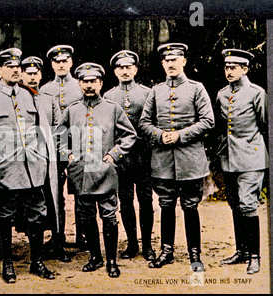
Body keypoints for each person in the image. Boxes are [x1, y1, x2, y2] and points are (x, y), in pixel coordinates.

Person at [0, 48, 59, 283]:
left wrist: (39, 156)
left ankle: (36, 262)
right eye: (10, 67)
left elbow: (41, 129)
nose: (16, 70)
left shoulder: (30, 95)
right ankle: (7, 264)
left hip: (32, 171)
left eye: (18, 66)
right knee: (5, 217)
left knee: (37, 215)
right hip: (5, 171)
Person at [138, 43, 214, 271]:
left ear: (184, 61)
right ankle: (167, 251)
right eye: (166, 60)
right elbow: (144, 123)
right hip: (162, 160)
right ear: (162, 64)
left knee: (190, 206)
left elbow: (208, 120)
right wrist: (160, 135)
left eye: (175, 59)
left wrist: (180, 135)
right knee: (166, 204)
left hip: (190, 160)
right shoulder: (155, 91)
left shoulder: (196, 88)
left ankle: (194, 254)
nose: (170, 64)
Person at [57, 62, 137, 277]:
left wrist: (114, 155)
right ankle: (95, 258)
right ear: (80, 84)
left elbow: (130, 135)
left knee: (109, 216)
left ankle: (112, 261)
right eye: (85, 81)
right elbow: (60, 136)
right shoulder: (72, 110)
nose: (89, 85)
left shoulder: (113, 108)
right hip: (81, 173)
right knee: (86, 216)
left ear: (101, 83)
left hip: (105, 173)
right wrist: (68, 156)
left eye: (93, 81)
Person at [215, 49, 268, 274]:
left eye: (234, 67)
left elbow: (265, 124)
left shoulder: (257, 93)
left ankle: (255, 256)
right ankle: (242, 251)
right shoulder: (221, 94)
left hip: (251, 157)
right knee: (235, 204)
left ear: (245, 69)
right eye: (227, 67)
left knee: (248, 204)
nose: (229, 71)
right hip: (229, 158)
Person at [103, 50, 156, 261]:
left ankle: (148, 245)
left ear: (135, 69)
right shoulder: (108, 96)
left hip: (143, 156)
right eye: (120, 68)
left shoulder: (147, 93)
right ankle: (132, 244)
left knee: (145, 200)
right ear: (115, 71)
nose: (124, 71)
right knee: (125, 201)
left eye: (128, 67)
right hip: (121, 157)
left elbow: (154, 122)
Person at [21, 56, 69, 262]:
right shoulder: (17, 99)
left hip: (49, 161)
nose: (32, 77)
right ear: (21, 75)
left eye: (36, 73)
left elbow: (60, 130)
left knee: (56, 201)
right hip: (24, 161)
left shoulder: (49, 99)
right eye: (28, 73)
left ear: (41, 75)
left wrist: (61, 161)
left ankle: (58, 244)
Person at [40, 44, 85, 248]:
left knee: (80, 191)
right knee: (55, 192)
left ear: (71, 62)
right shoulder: (45, 89)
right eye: (57, 61)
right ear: (52, 64)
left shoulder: (80, 85)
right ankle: (58, 235)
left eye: (65, 61)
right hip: (54, 146)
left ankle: (82, 235)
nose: (61, 64)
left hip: (78, 145)